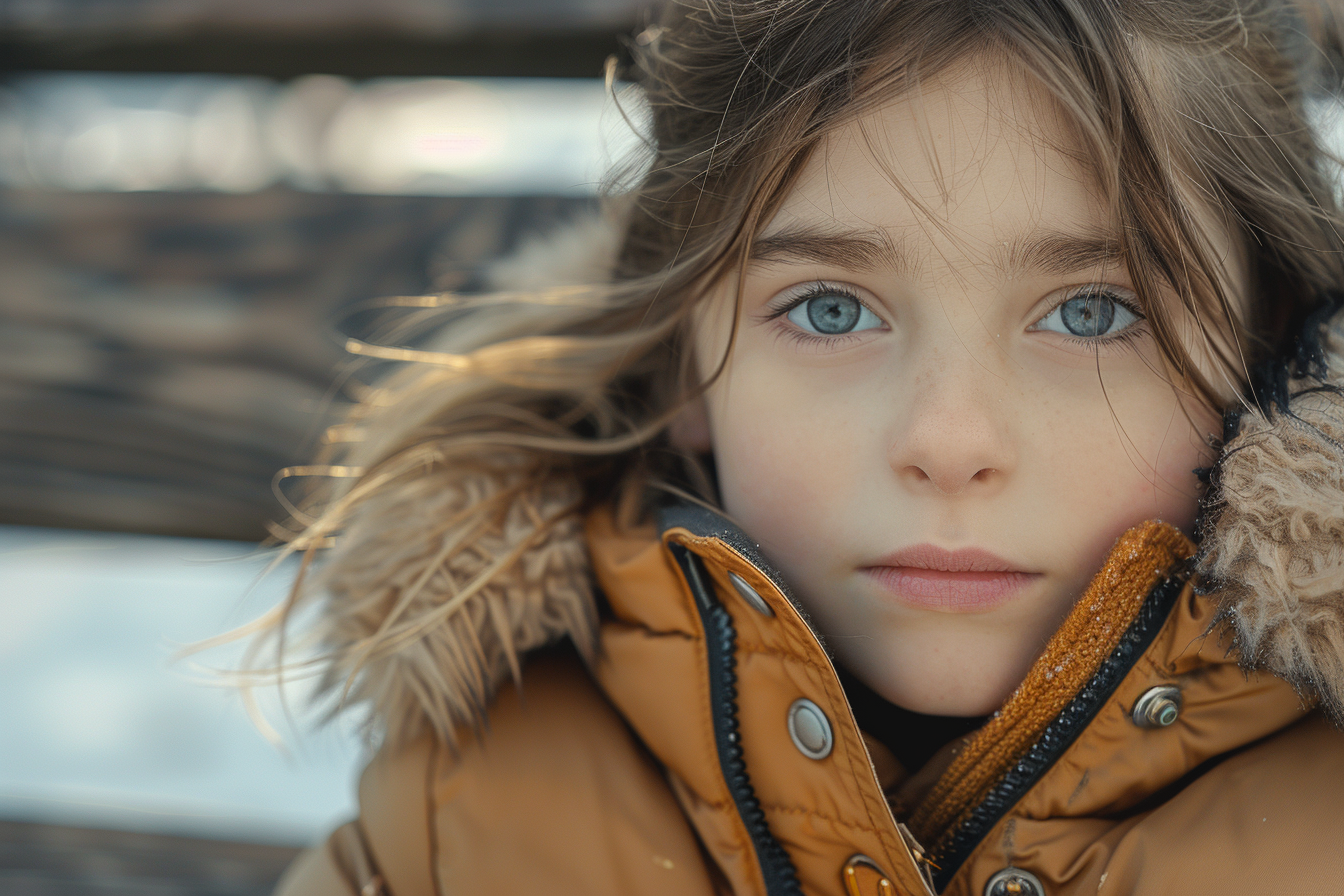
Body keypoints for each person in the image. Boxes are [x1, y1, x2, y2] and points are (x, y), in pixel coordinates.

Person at [266, 1, 1344, 893]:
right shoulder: (463, 810)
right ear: (688, 363)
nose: (948, 441)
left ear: (1272, 348)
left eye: (1092, 314)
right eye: (831, 309)